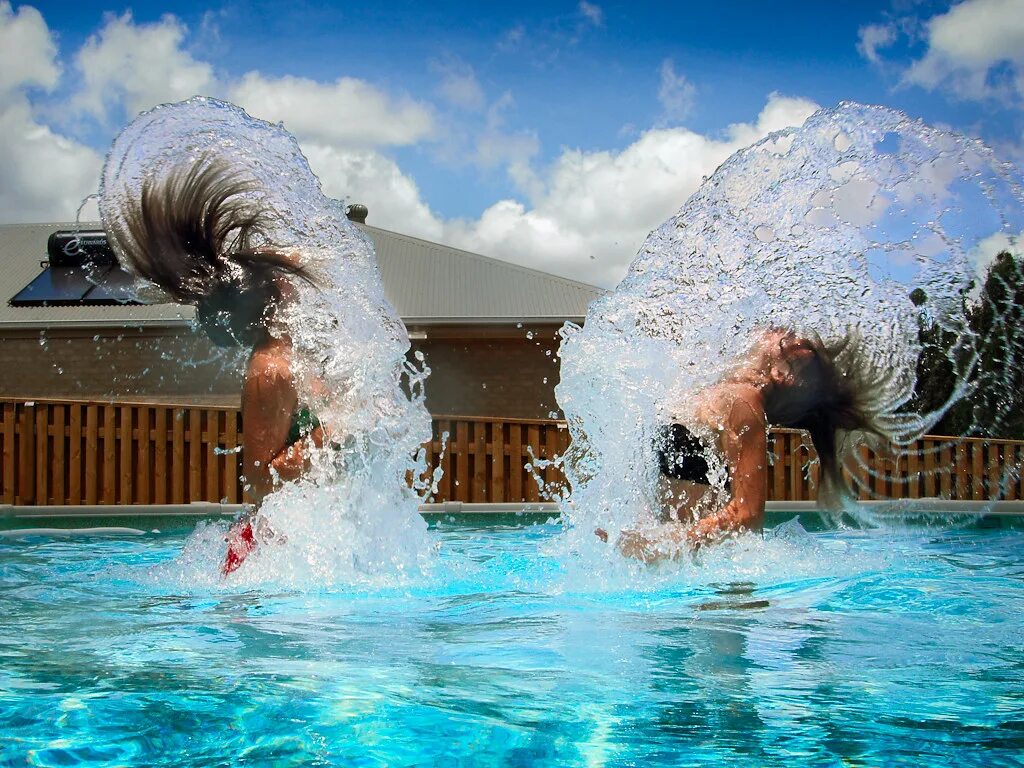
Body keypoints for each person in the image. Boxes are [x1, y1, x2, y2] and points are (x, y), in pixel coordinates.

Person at [103, 157, 332, 574]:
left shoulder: (302, 353)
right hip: (267, 551)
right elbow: (263, 481)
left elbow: (311, 260)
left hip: (301, 542)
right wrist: (338, 429)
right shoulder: (269, 368)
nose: (293, 279)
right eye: (284, 279)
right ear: (272, 299)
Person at [600, 329, 894, 561]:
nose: (777, 328)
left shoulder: (746, 403)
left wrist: (657, 545)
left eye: (786, 340)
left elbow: (747, 516)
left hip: (715, 574)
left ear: (781, 374)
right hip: (693, 569)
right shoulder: (716, 388)